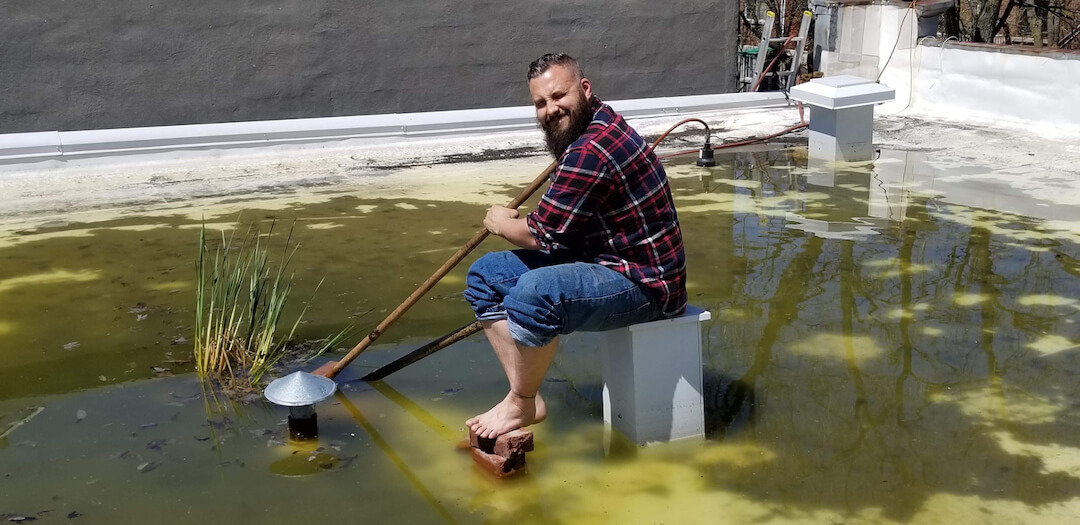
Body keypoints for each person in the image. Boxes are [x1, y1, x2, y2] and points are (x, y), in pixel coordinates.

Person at [464, 53, 687, 439]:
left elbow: (543, 235)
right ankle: (527, 397)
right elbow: (563, 219)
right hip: (603, 255)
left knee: (535, 295)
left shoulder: (591, 149)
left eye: (558, 95)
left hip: (647, 283)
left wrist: (502, 222)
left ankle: (520, 401)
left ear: (585, 89)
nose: (551, 109)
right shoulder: (596, 122)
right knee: (485, 277)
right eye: (540, 103)